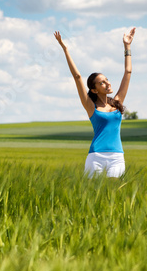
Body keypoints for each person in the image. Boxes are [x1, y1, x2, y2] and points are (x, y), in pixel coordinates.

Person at [54, 28, 136, 178]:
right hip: (96, 157)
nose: (107, 83)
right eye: (102, 83)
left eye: (107, 80)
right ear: (95, 90)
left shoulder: (117, 102)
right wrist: (65, 49)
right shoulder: (91, 107)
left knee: (113, 194)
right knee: (94, 193)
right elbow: (78, 76)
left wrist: (127, 46)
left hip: (117, 157)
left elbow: (128, 72)